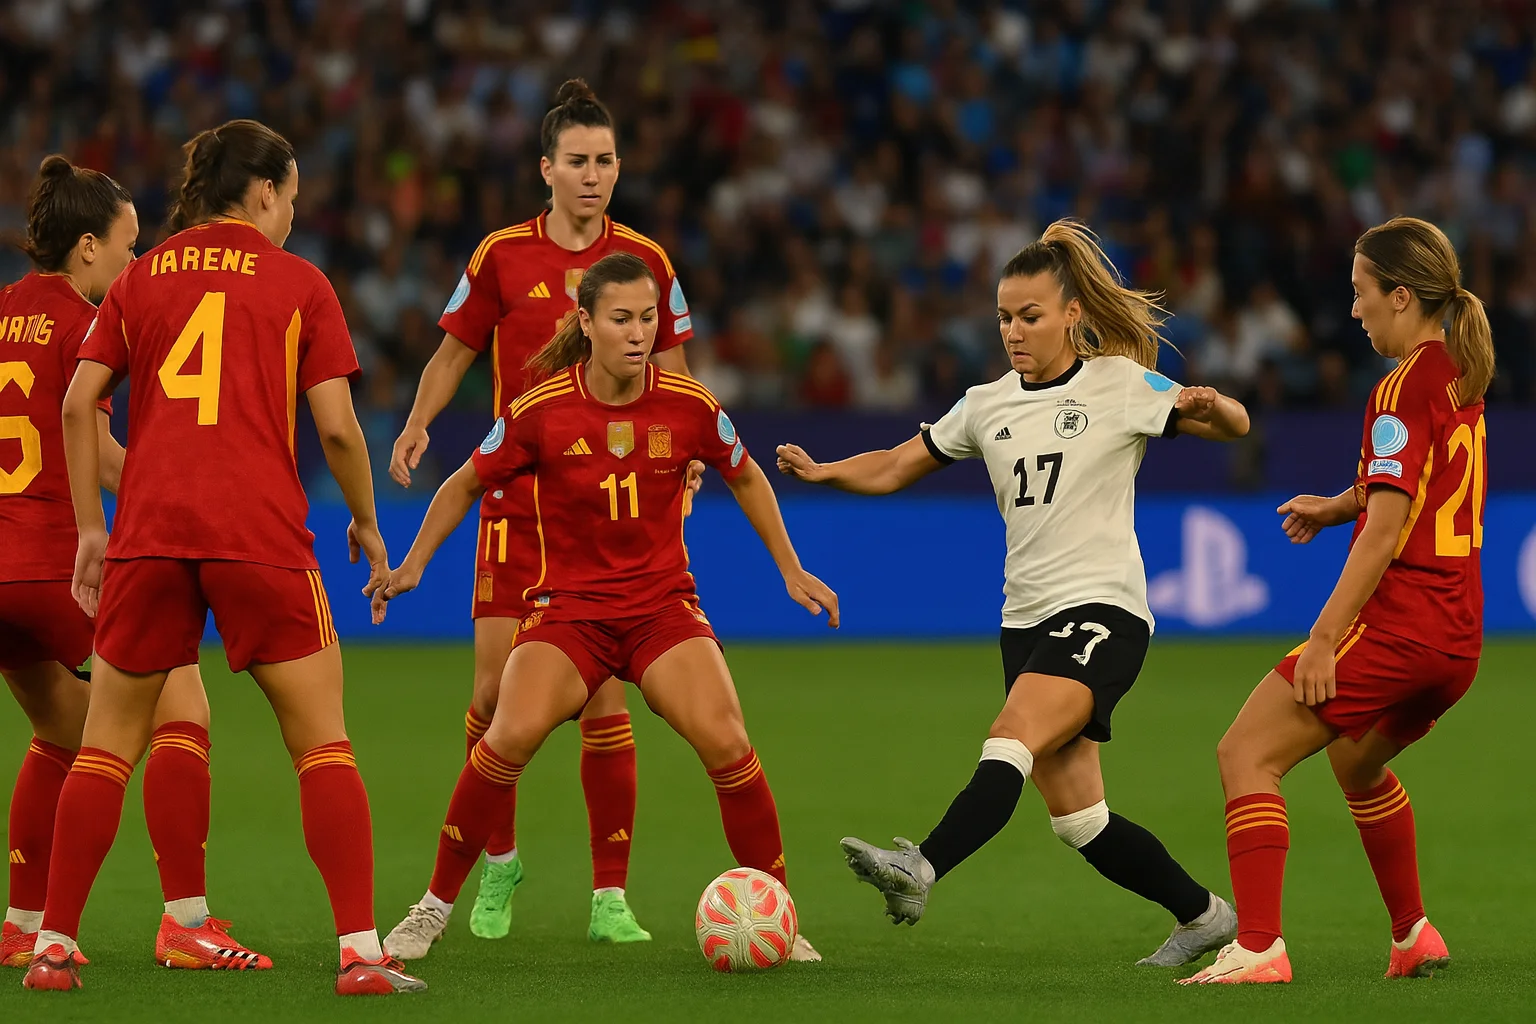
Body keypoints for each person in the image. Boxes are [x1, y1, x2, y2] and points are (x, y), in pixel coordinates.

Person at [777, 220, 1250, 965]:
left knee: (1010, 733)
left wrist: (1211, 405)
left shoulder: (1119, 384)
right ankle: (1206, 916)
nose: (1014, 330)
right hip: (1024, 623)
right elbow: (900, 464)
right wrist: (824, 471)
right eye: (1004, 317)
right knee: (1080, 821)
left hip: (1103, 611)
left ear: (1072, 314)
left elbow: (1234, 425)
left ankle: (920, 865)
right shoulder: (986, 404)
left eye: (1030, 315)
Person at [21, 120, 423, 995]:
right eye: (291, 199)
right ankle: (361, 952)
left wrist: (93, 528)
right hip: (259, 534)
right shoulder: (299, 283)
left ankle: (51, 946)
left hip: (151, 535)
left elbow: (81, 402)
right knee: (322, 745)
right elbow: (336, 427)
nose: (291, 216)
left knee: (104, 745)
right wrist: (366, 521)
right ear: (267, 192)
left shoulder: (138, 279)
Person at [377, 253, 832, 964]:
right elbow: (465, 483)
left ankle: (782, 914)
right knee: (505, 736)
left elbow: (745, 477)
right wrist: (412, 565)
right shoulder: (540, 411)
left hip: (662, 609)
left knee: (728, 741)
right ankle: (431, 910)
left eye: (648, 317)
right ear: (585, 322)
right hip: (570, 614)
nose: (639, 332)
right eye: (621, 318)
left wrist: (789, 566)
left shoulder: (689, 404)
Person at [387, 79, 697, 944]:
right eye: (578, 161)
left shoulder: (647, 260)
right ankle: (501, 863)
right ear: (547, 170)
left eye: (605, 161)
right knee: (494, 700)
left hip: (609, 516)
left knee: (602, 701)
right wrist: (418, 421)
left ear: (617, 168)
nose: (593, 175)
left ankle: (608, 897)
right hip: (516, 506)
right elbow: (454, 354)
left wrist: (689, 457)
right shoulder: (500, 256)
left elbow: (677, 374)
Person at [1181, 217, 1491, 985]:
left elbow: (1388, 534)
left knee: (1244, 753)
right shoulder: (1458, 369)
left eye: (1360, 295)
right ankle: (1414, 934)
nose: (1353, 311)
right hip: (1457, 640)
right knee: (1356, 762)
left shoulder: (1396, 387)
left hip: (1399, 624)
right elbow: (1416, 486)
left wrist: (1323, 638)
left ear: (1400, 295)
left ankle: (1258, 948)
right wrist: (1339, 503)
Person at [0, 156, 268, 973]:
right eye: (127, 247)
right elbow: (103, 449)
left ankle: (21, 923)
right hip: (53, 564)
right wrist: (190, 481)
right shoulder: (89, 323)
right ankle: (187, 920)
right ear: (86, 248)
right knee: (183, 713)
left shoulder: (5, 312)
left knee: (61, 730)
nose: (135, 263)